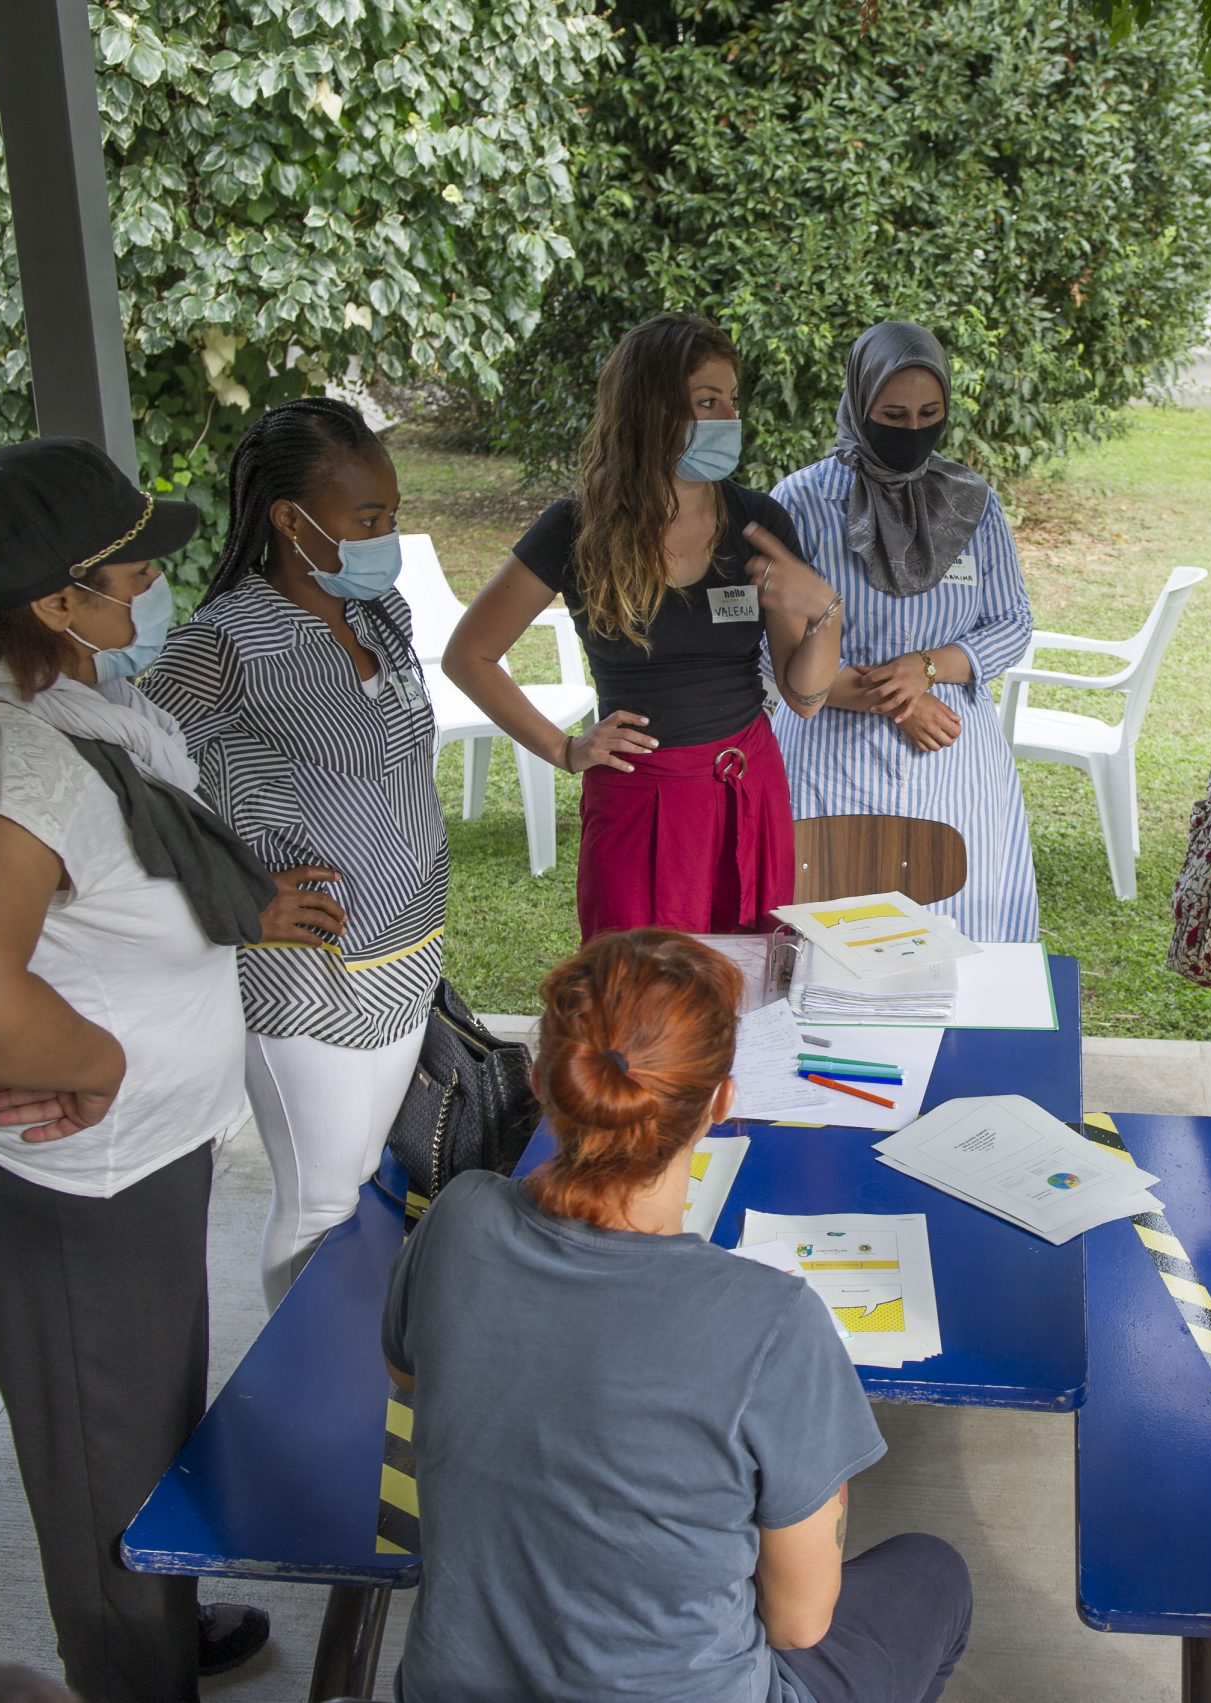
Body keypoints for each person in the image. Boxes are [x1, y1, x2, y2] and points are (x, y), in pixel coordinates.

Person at [0, 440, 293, 1700]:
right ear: (58, 599)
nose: (155, 578)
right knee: (103, 1457)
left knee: (140, 1421)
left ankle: (158, 1610)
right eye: (134, 565)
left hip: (125, 1166)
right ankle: (129, 1666)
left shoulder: (36, 696)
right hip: (69, 1178)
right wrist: (96, 1061)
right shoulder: (13, 758)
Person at [381, 929, 973, 1702]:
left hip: (448, 1685)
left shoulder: (458, 1218)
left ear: (548, 1078)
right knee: (936, 1572)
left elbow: (407, 1372)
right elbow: (799, 1620)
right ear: (723, 1101)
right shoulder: (773, 1324)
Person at [143, 398, 447, 1310]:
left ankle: (354, 1371)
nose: (386, 537)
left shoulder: (380, 611)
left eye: (391, 515)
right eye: (367, 520)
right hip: (307, 973)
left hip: (405, 955)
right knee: (319, 1198)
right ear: (290, 518)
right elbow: (132, 776)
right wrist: (239, 888)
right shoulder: (225, 643)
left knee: (362, 1179)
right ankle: (309, 1398)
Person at [444, 314, 843, 939]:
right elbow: (469, 655)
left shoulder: (756, 523)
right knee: (636, 994)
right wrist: (564, 749)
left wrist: (825, 616)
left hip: (746, 787)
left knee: (752, 986)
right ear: (650, 410)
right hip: (640, 798)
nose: (727, 420)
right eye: (706, 402)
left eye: (731, 401)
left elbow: (806, 697)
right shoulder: (577, 528)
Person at [770, 322, 1039, 941]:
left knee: (958, 935)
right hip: (830, 755)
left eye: (930, 413)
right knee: (833, 940)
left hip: (949, 757)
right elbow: (771, 656)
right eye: (892, 414)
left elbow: (1012, 624)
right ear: (859, 406)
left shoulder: (972, 503)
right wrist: (899, 701)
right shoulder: (802, 503)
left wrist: (926, 669)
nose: (912, 430)